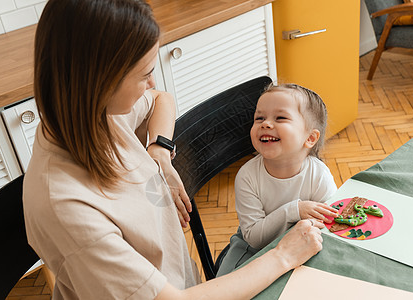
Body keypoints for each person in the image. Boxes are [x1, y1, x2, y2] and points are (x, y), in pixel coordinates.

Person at [23, 0, 325, 299]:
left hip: (189, 283)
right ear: (100, 80)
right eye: (144, 74)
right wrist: (283, 256)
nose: (152, 81)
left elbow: (160, 100)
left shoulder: (94, 114)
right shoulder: (66, 207)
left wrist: (159, 153)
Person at [236, 83, 339, 250]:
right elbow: (254, 238)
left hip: (306, 245)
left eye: (280, 118)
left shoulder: (319, 174)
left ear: (310, 138)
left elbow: (330, 221)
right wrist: (295, 211)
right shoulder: (247, 176)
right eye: (259, 118)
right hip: (256, 252)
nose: (265, 124)